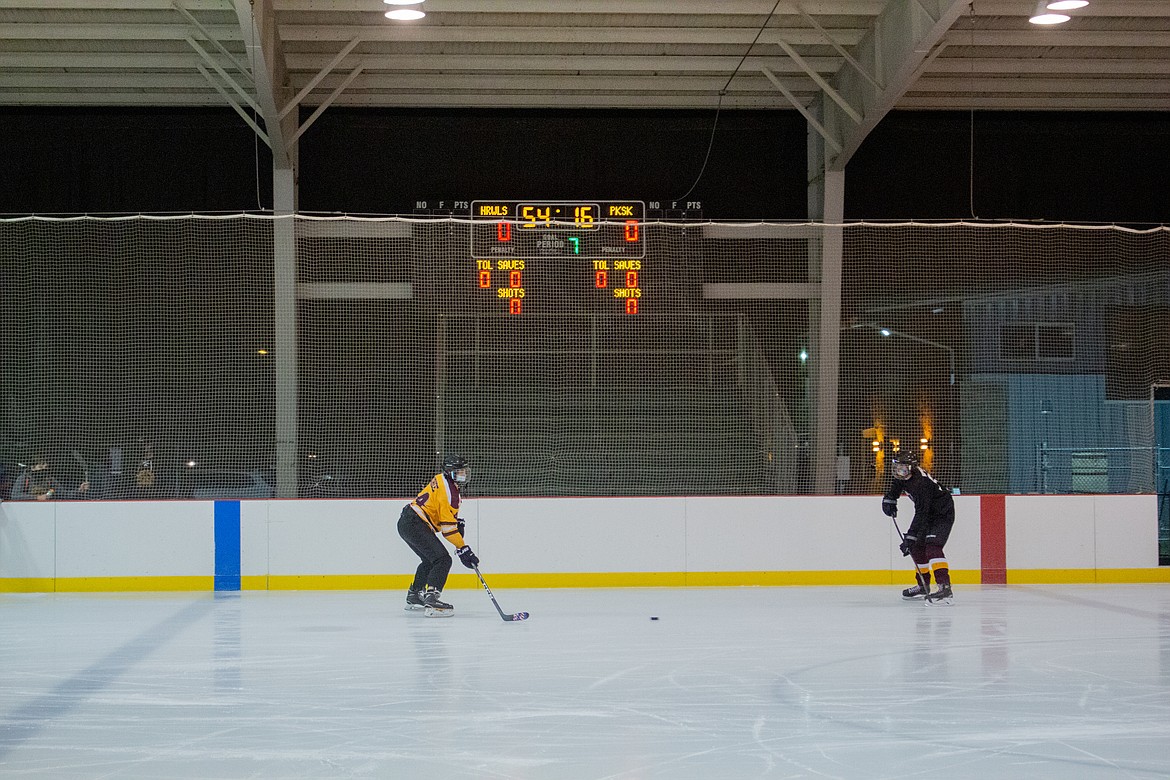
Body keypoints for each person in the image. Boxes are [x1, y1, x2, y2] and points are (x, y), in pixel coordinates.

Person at [397, 454, 479, 617]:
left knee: (429, 560)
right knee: (443, 559)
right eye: (458, 472)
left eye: (464, 471)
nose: (463, 475)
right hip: (415, 524)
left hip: (406, 522)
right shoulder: (450, 493)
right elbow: (447, 530)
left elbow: (440, 513)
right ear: (449, 472)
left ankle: (415, 595)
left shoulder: (441, 479)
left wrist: (455, 523)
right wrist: (463, 548)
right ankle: (432, 599)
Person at [881, 452, 955, 604]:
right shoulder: (905, 476)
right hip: (928, 513)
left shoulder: (921, 484)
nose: (898, 471)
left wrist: (910, 535)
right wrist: (890, 499)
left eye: (902, 468)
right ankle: (923, 586)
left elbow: (922, 513)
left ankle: (944, 587)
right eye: (896, 467)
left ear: (911, 468)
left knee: (933, 547)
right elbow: (897, 485)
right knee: (917, 548)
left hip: (941, 514)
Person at [11, 453, 90, 501]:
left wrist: (79, 490)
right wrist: (37, 497)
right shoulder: (24, 479)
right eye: (40, 467)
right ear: (33, 467)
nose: (43, 470)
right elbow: (15, 496)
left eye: (45, 468)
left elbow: (64, 494)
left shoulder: (50, 480)